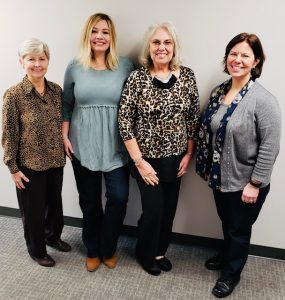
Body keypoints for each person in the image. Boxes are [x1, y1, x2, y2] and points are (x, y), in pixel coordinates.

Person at [196, 33, 281, 298]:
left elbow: (270, 146)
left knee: (239, 229)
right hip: (221, 177)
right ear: (227, 57)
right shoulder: (220, 91)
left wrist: (255, 183)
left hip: (246, 182)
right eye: (234, 53)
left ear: (256, 61)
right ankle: (227, 255)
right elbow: (210, 130)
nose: (238, 60)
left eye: (245, 55)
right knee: (228, 223)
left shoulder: (263, 100)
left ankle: (231, 274)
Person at [118, 22, 200, 276]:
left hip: (176, 158)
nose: (161, 47)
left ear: (174, 46)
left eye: (167, 42)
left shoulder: (187, 76)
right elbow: (124, 122)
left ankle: (159, 250)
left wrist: (189, 155)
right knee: (153, 210)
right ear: (149, 47)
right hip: (146, 160)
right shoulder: (137, 78)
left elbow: (192, 119)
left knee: (168, 210)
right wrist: (140, 162)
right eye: (156, 42)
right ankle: (145, 252)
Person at [62, 13, 134, 272]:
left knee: (119, 197)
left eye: (105, 32)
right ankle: (93, 249)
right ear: (87, 35)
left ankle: (109, 247)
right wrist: (64, 136)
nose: (99, 36)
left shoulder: (126, 66)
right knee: (89, 201)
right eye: (95, 31)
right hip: (83, 144)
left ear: (111, 37)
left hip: (117, 145)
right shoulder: (74, 66)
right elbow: (66, 105)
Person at [2, 38, 71, 267]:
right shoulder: (14, 95)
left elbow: (62, 123)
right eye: (31, 59)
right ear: (22, 62)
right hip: (28, 163)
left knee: (54, 205)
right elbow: (9, 135)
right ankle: (37, 250)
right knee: (33, 211)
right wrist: (12, 168)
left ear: (48, 61)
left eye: (42, 58)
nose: (37, 64)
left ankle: (53, 237)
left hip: (54, 159)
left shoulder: (56, 91)